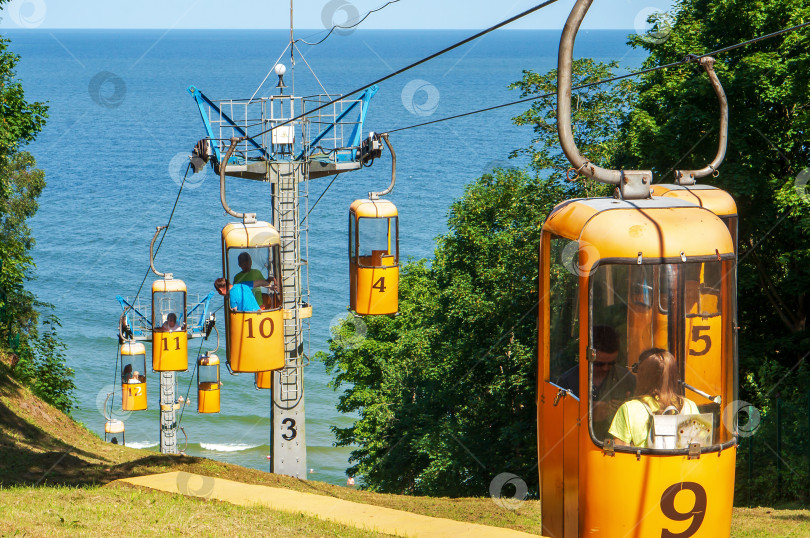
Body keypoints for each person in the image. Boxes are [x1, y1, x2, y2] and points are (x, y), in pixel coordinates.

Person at [608, 348, 699, 448]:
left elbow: (621, 456)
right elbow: (699, 447)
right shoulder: (690, 406)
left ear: (643, 375)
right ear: (673, 375)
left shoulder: (628, 409)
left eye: (637, 369)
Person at [556, 325, 635, 436]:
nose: (605, 368)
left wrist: (625, 409)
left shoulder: (627, 379)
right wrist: (587, 412)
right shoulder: (567, 381)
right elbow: (558, 424)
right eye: (599, 364)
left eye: (611, 363)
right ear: (586, 356)